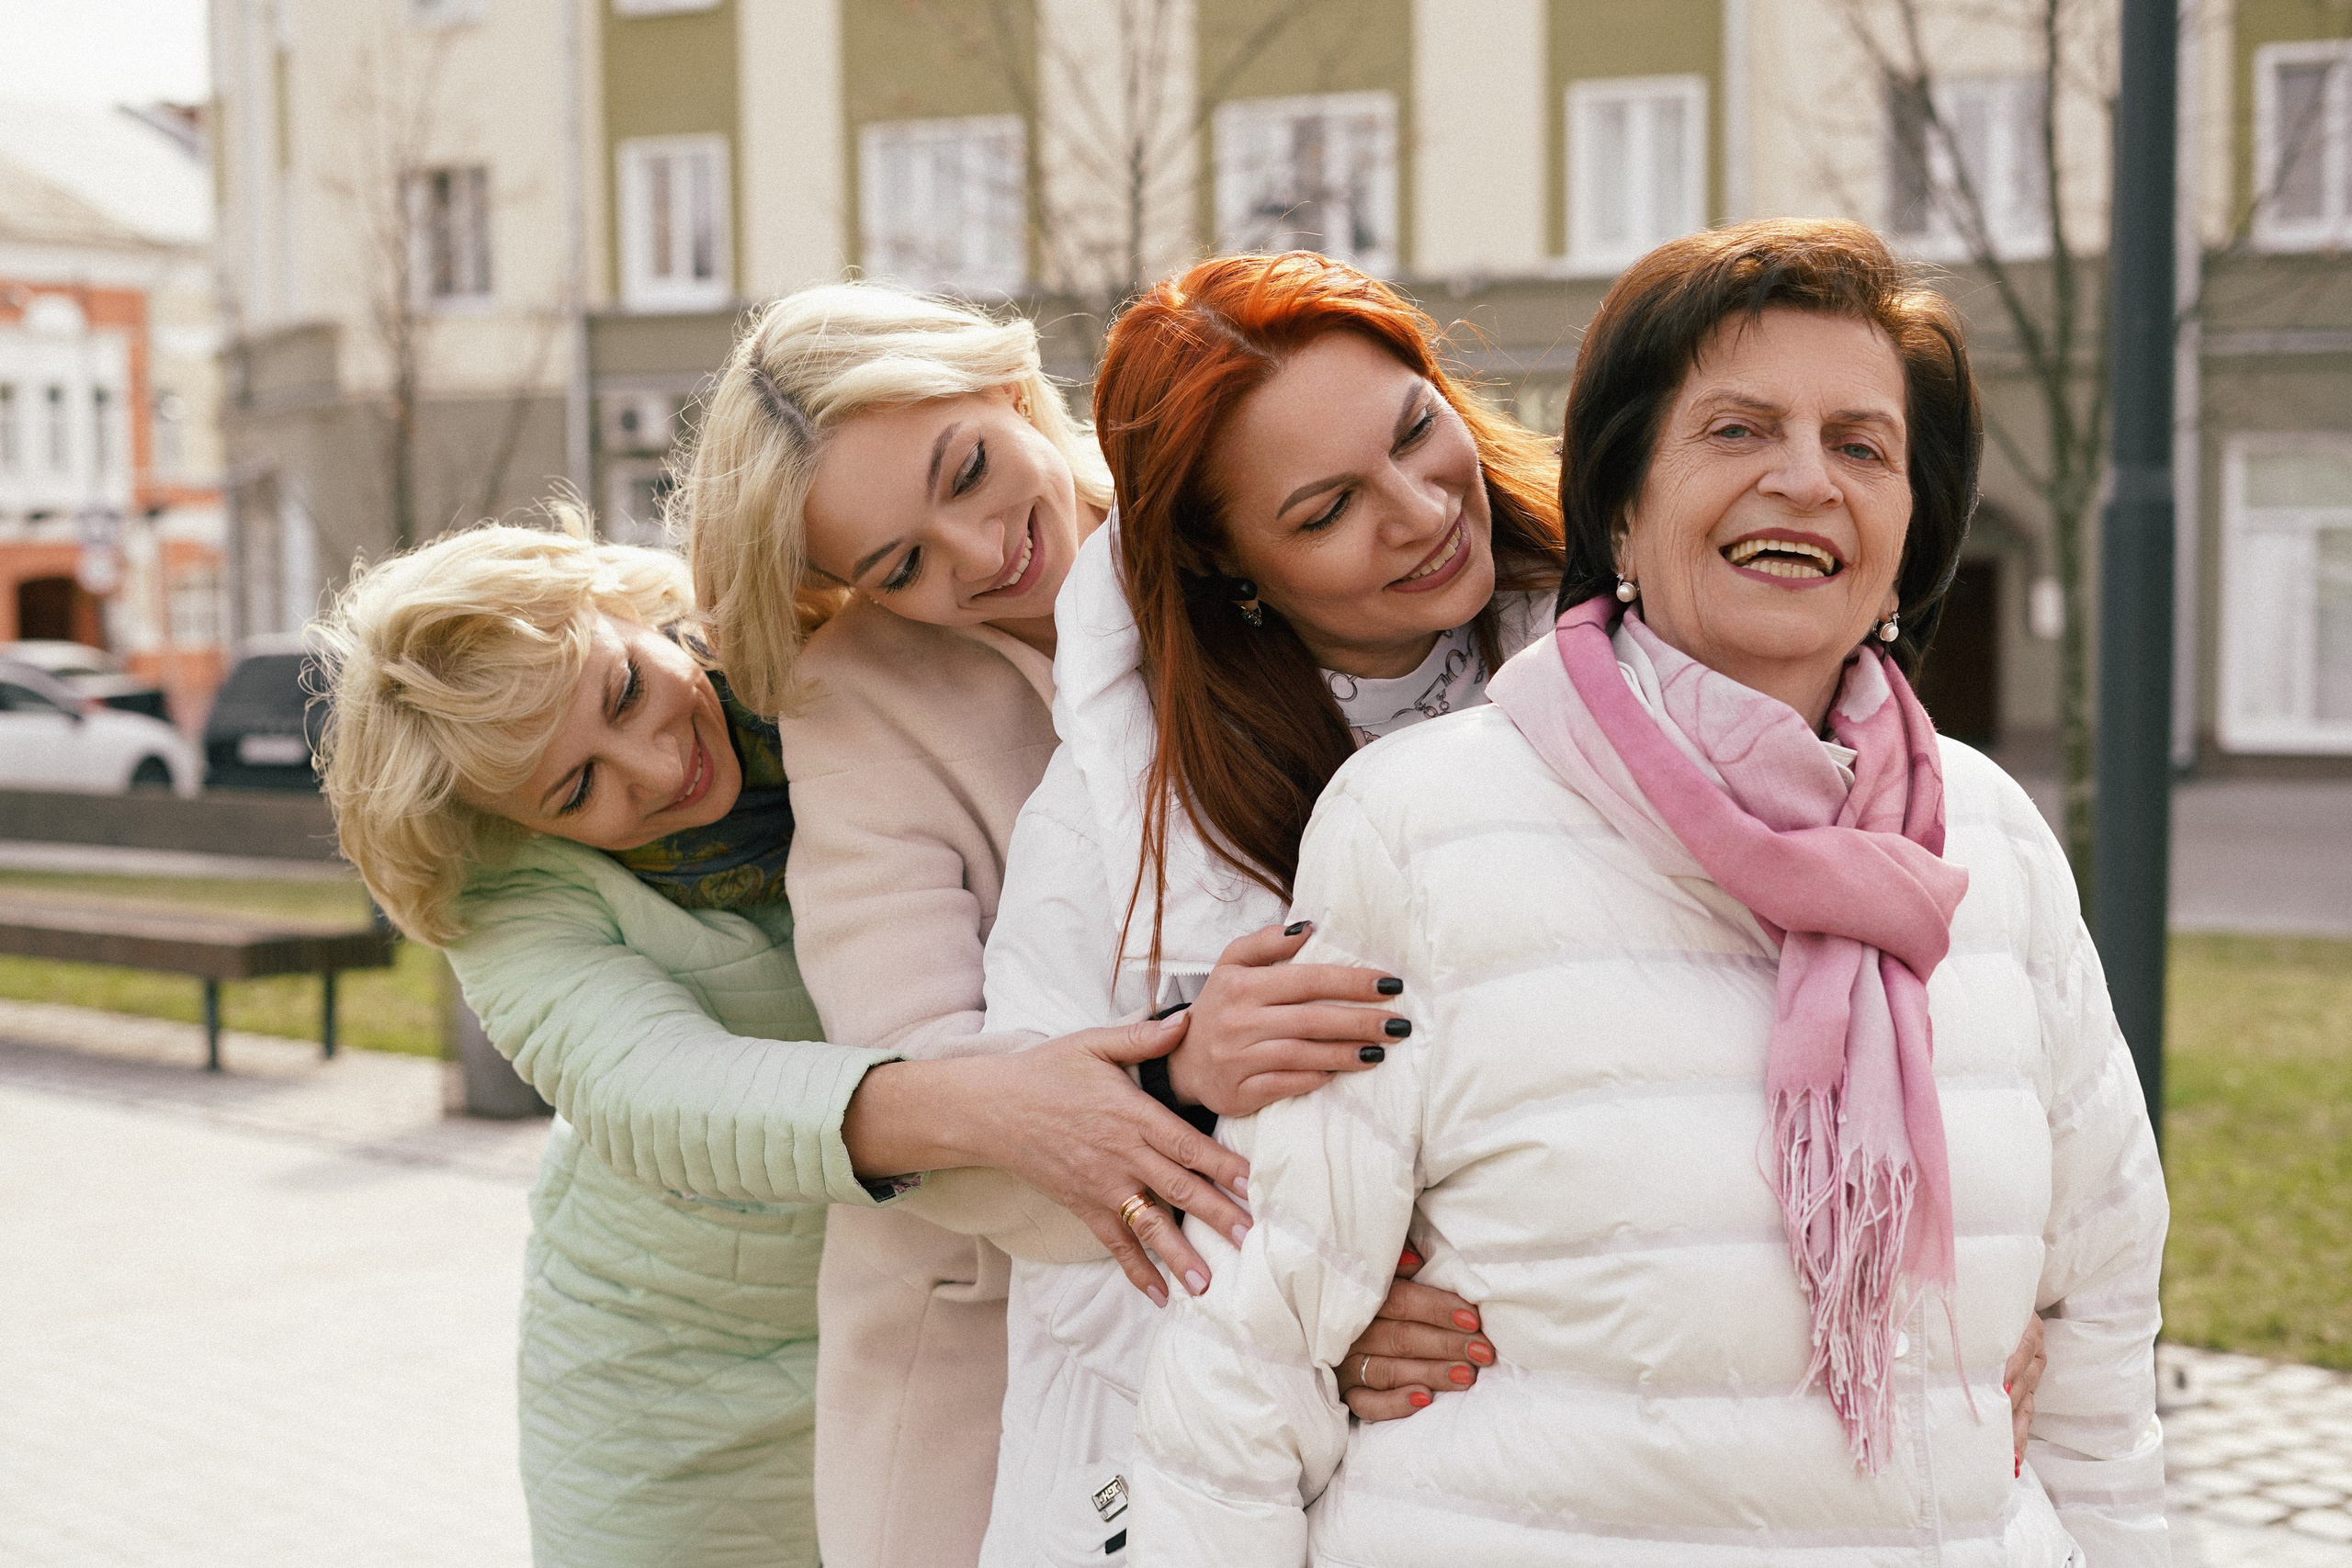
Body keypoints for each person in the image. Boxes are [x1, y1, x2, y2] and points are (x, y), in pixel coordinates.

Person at [1128, 221, 2166, 1565]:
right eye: (1738, 430)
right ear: (1619, 501)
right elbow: (1247, 1360)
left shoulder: (1994, 839)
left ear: (1911, 529)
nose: (1805, 480)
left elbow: (2100, 1328)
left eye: (1862, 446)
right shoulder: (1416, 825)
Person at [676, 281, 1483, 1568]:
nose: (976, 550)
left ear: (1007, 386)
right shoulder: (861, 701)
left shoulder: (1234, 496)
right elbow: (930, 1079)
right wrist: (1287, 1295)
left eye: (969, 470)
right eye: (900, 565)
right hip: (1019, 1311)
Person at [312, 518, 1250, 1567]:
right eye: (575, 789)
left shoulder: (822, 680)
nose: (655, 764)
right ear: (516, 821)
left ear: (626, 606)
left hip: (924, 1317)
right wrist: (1007, 1108)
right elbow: (656, 1093)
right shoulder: (509, 896)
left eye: (625, 690)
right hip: (665, 1390)